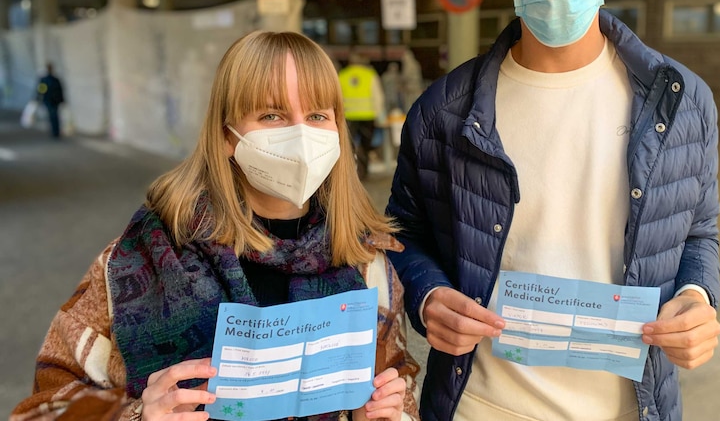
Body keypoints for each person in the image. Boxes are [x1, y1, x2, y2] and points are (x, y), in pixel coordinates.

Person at [385, 0, 720, 421]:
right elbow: (403, 233)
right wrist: (428, 296)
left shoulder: (682, 100)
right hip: (481, 405)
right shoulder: (443, 112)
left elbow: (699, 230)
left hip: (631, 407)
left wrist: (696, 298)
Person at [12, 31, 419, 421]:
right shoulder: (143, 256)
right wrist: (138, 415)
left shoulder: (365, 262)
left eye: (316, 115)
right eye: (272, 114)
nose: (301, 135)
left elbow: (398, 387)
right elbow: (43, 406)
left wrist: (380, 416)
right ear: (227, 135)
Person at [338, 51, 386, 180]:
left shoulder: (342, 75)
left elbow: (337, 97)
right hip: (367, 115)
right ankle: (364, 172)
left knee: (347, 146)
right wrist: (379, 114)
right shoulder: (369, 75)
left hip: (348, 116)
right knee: (366, 146)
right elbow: (378, 96)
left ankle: (349, 172)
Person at [36, 62, 65, 138]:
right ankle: (56, 131)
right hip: (55, 100)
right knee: (55, 115)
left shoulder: (44, 80)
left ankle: (54, 131)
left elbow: (41, 90)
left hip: (48, 100)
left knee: (51, 115)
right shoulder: (55, 79)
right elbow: (60, 91)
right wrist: (62, 100)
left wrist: (38, 98)